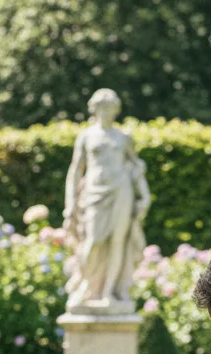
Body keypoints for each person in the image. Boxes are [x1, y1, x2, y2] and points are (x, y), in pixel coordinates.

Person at [62, 88, 150, 313]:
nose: (106, 111)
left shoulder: (123, 137)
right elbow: (75, 171)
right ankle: (87, 286)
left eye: (110, 106)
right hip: (93, 192)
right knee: (92, 242)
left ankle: (110, 291)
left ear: (116, 109)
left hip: (121, 191)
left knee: (117, 241)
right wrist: (70, 203)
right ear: (94, 108)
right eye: (102, 106)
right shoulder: (86, 136)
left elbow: (136, 167)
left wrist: (144, 195)